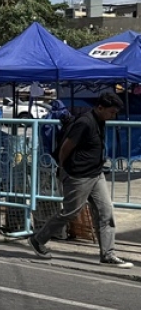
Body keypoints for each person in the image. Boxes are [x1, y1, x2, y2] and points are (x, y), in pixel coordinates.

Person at [29, 92, 133, 267]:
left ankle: (108, 254)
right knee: (70, 212)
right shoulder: (84, 122)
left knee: (106, 212)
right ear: (100, 108)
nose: (113, 116)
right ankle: (38, 240)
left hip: (96, 173)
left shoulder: (101, 120)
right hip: (78, 175)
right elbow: (65, 148)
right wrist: (64, 170)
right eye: (111, 112)